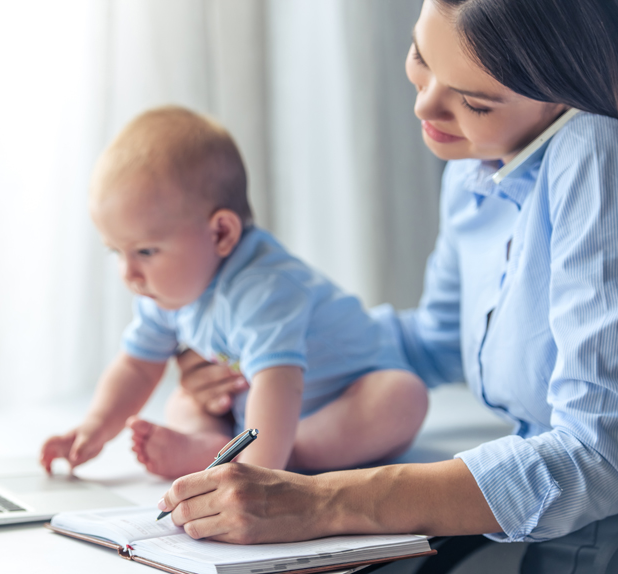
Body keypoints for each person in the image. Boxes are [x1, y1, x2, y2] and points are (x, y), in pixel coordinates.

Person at [155, 0, 618, 558]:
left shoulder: (595, 152)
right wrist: (270, 354)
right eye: (421, 57)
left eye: (474, 102)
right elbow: (438, 343)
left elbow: (600, 455)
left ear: (574, 89)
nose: (424, 104)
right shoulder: (477, 166)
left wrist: (321, 502)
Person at [40, 106, 428, 479]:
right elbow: (137, 367)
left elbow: (279, 386)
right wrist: (94, 427)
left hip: (339, 404)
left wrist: (256, 477)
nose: (129, 274)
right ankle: (214, 446)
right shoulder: (165, 291)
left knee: (402, 397)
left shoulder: (263, 289)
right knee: (184, 399)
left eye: (145, 251)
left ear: (221, 233)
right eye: (115, 251)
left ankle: (256, 459)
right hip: (256, 414)